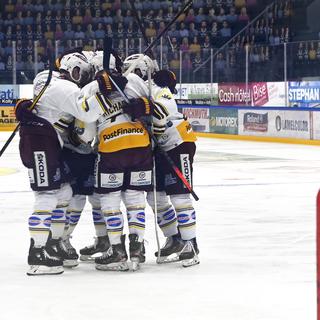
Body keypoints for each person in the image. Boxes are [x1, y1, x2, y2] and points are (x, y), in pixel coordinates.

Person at [16, 52, 107, 275]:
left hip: (46, 141)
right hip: (41, 141)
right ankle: (37, 254)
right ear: (70, 69)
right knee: (46, 196)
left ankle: (53, 243)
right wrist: (106, 92)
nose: (81, 77)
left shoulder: (45, 78)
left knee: (64, 192)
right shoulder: (65, 88)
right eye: (80, 72)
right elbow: (86, 113)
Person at [123, 54, 200, 267]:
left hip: (179, 143)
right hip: (160, 147)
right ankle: (174, 238)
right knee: (154, 196)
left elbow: (166, 112)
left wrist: (146, 108)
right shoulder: (137, 90)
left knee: (180, 196)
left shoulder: (159, 88)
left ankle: (191, 244)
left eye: (133, 71)